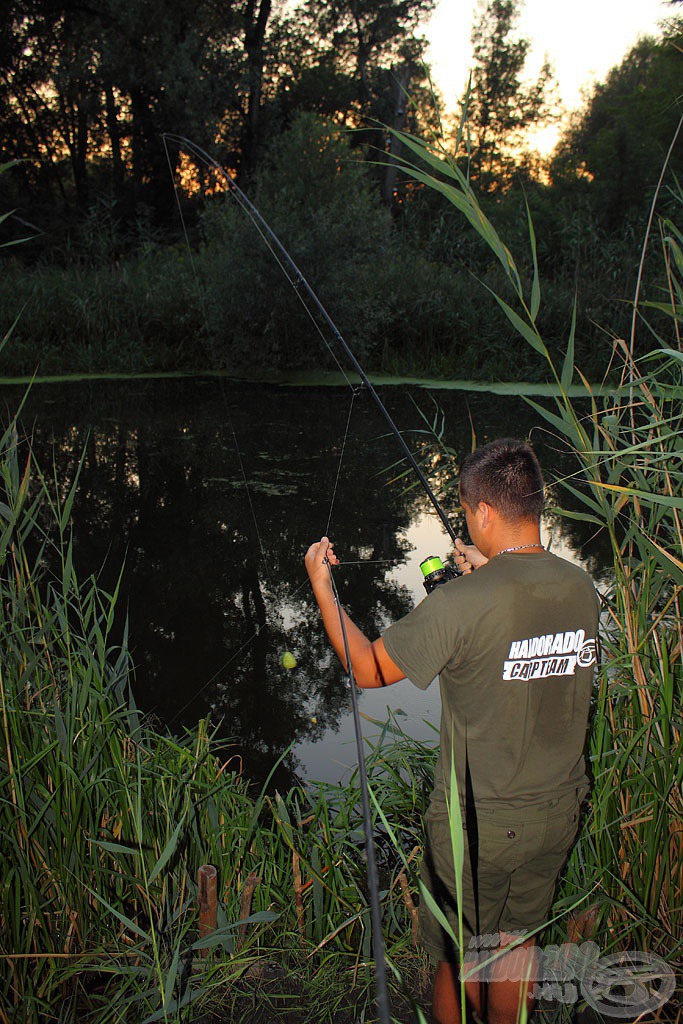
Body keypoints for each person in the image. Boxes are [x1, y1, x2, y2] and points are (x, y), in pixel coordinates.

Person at [305, 438, 599, 1024]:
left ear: (484, 512)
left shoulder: (461, 603)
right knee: (518, 945)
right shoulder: (580, 588)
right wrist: (493, 572)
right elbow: (526, 627)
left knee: (459, 956)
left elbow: (365, 667)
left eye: (468, 512)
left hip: (477, 825)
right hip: (557, 810)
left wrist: (321, 584)